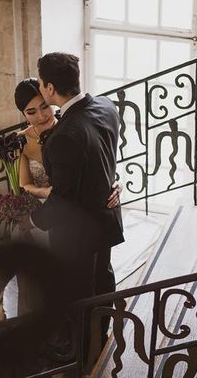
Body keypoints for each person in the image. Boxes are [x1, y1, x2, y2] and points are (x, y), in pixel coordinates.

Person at [29, 52, 124, 360]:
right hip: (105, 220)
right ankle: (101, 333)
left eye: (42, 85)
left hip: (78, 235)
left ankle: (82, 353)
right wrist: (115, 180)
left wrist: (36, 220)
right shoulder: (106, 106)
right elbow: (105, 154)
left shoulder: (64, 136)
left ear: (50, 87)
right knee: (102, 281)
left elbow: (63, 199)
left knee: (78, 293)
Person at [8, 78, 121, 318]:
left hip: (77, 219)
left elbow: (98, 165)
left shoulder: (72, 128)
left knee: (90, 279)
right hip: (45, 213)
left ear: (51, 100)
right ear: (23, 113)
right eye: (31, 111)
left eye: (44, 106)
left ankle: (92, 326)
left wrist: (117, 184)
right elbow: (23, 183)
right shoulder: (20, 141)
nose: (41, 115)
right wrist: (46, 192)